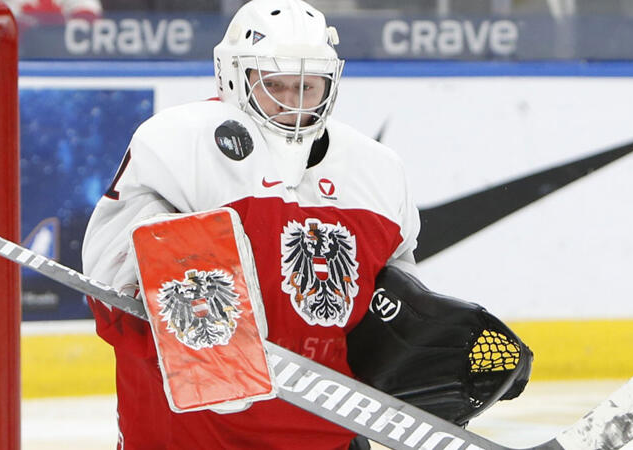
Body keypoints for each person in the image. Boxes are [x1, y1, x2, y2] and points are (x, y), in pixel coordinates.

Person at [81, 0, 420, 448]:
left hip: (322, 436)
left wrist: (427, 348)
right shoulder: (179, 145)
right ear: (233, 77)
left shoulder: (376, 170)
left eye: (307, 87)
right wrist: (169, 286)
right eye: (274, 84)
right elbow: (110, 284)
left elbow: (394, 300)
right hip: (187, 435)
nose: (291, 104)